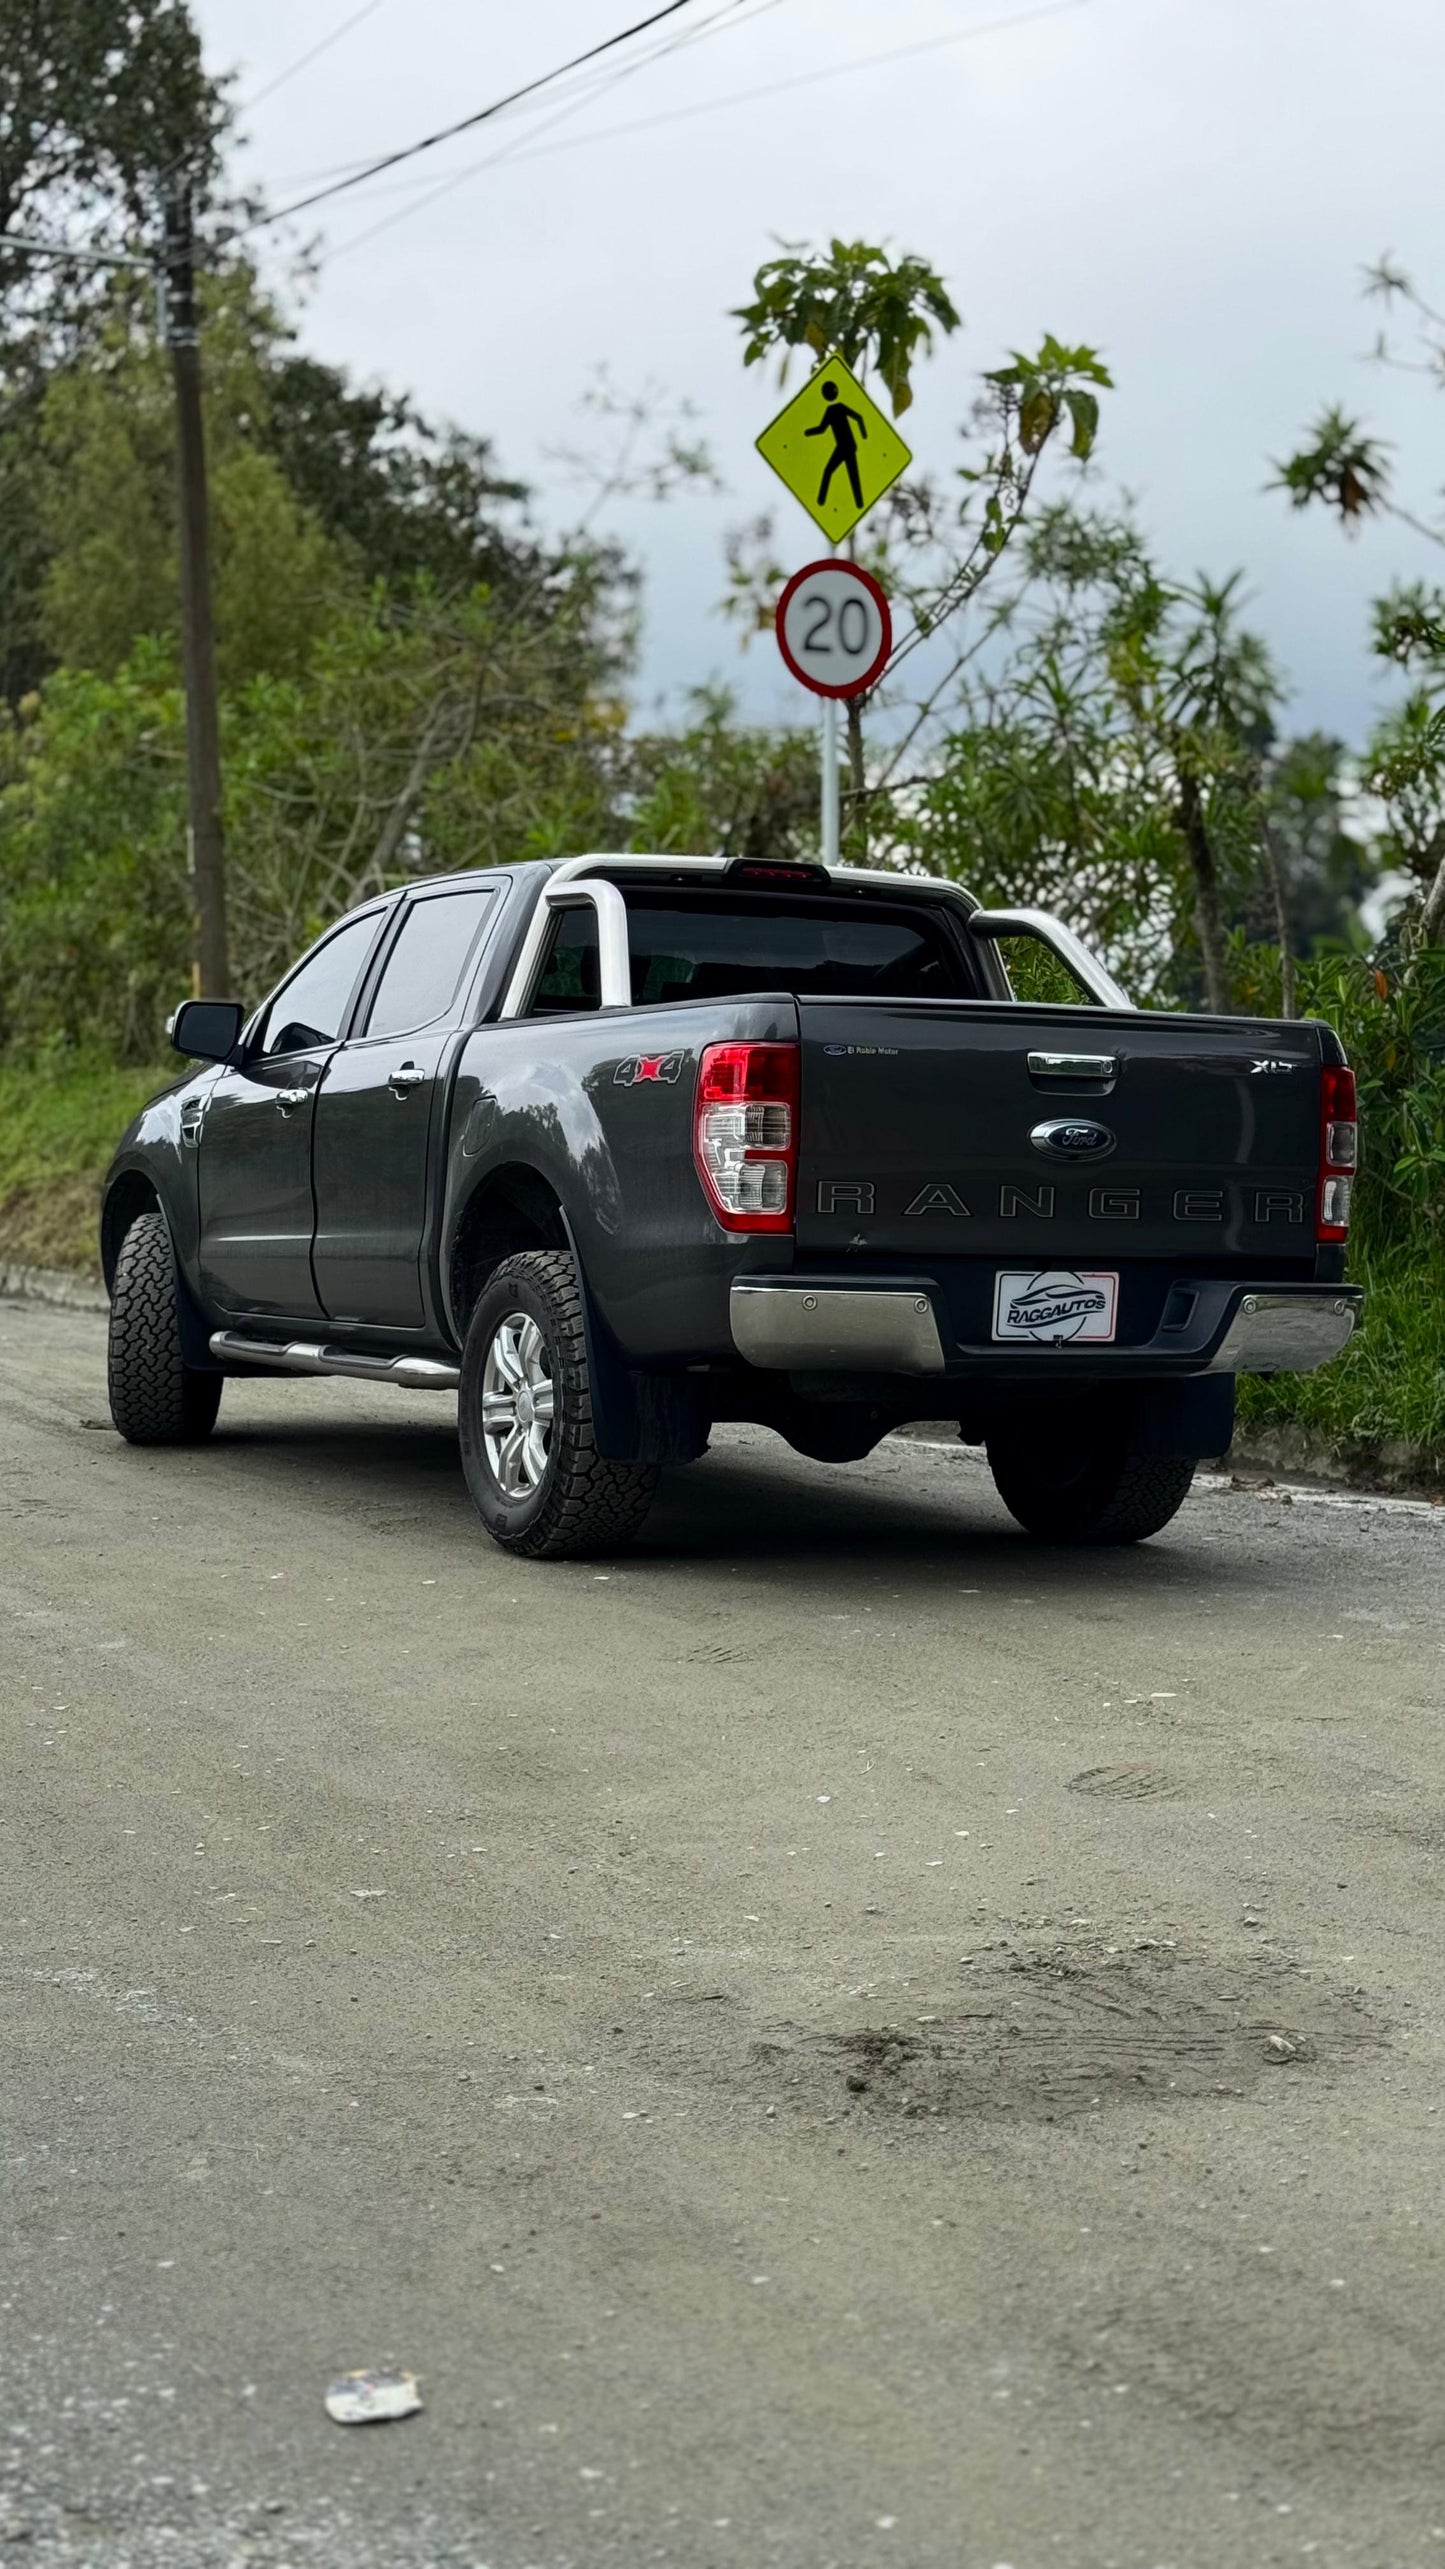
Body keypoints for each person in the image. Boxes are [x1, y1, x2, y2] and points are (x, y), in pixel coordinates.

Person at [805, 381, 867, 511]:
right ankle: (822, 502)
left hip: (847, 446)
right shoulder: (833, 409)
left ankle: (857, 503)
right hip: (845, 446)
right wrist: (807, 432)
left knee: (849, 474)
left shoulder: (836, 408)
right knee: (836, 472)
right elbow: (822, 429)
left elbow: (859, 417)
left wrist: (864, 435)